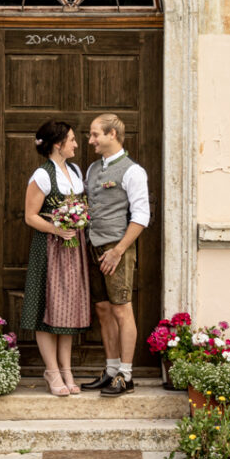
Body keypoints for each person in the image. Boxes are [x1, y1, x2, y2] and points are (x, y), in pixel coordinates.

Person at [20, 119, 91, 397]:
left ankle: (67, 369)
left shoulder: (74, 170)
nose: (76, 144)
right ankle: (52, 371)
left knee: (67, 309)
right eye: (71, 139)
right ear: (58, 144)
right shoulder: (42, 175)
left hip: (73, 249)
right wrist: (56, 229)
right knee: (47, 309)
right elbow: (30, 216)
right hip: (49, 248)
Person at [80, 113, 149, 397]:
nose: (91, 140)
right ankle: (110, 371)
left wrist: (118, 250)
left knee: (122, 309)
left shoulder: (133, 171)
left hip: (117, 249)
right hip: (93, 246)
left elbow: (142, 216)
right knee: (103, 309)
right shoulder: (93, 168)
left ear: (112, 135)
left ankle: (126, 375)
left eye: (95, 134)